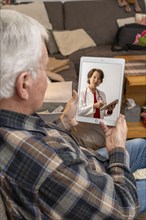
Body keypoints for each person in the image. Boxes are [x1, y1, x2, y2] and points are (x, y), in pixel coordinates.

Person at [0, 9, 146, 220]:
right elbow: (122, 208)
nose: (47, 78)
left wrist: (64, 123)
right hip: (99, 189)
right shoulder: (51, 161)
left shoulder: (13, 122)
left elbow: (40, 140)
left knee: (141, 145)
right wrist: (117, 149)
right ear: (24, 84)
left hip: (84, 165)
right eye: (43, 69)